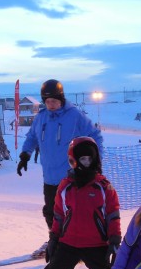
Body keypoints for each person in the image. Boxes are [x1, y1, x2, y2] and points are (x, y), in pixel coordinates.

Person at [15, 137, 121, 269]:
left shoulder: (103, 187)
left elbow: (113, 215)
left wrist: (114, 240)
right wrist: (53, 238)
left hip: (97, 245)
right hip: (68, 243)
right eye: (81, 160)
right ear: (72, 161)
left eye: (89, 159)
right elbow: (58, 215)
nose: (85, 164)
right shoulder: (66, 186)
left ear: (95, 160)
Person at [17, 79, 103, 256]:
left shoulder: (74, 116)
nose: (51, 105)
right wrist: (25, 155)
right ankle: (57, 240)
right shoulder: (41, 118)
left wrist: (96, 161)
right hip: (49, 176)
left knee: (72, 213)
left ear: (61, 99)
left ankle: (75, 244)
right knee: (50, 212)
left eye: (54, 101)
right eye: (48, 102)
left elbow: (95, 136)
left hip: (70, 176)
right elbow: (32, 137)